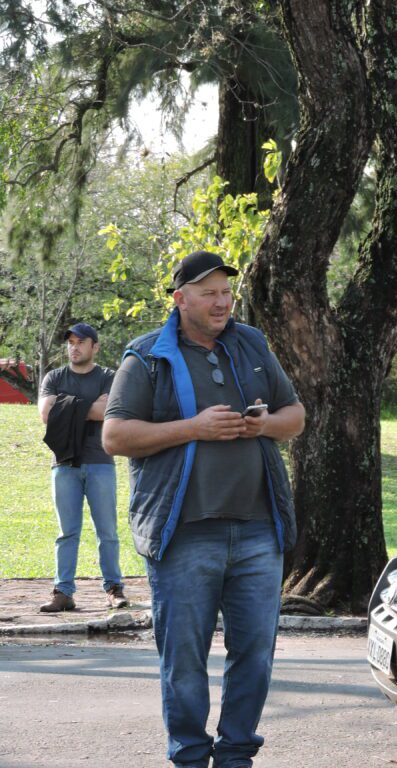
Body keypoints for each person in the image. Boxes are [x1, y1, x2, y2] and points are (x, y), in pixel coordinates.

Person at [103, 250, 306, 768]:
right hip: (185, 535)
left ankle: (237, 755)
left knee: (256, 656)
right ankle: (191, 757)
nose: (222, 302)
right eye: (209, 292)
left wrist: (263, 425)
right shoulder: (146, 356)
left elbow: (296, 415)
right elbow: (115, 435)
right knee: (184, 662)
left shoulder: (251, 344)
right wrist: (193, 427)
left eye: (226, 292)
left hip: (259, 532)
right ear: (181, 299)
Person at [37, 322, 127, 612]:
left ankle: (114, 589)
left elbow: (107, 410)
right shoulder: (54, 376)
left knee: (107, 531)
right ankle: (63, 592)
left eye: (81, 342)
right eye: (70, 343)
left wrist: (66, 407)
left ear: (95, 346)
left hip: (100, 460)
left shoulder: (109, 377)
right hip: (64, 463)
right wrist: (88, 407)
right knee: (67, 532)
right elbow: (46, 414)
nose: (74, 348)